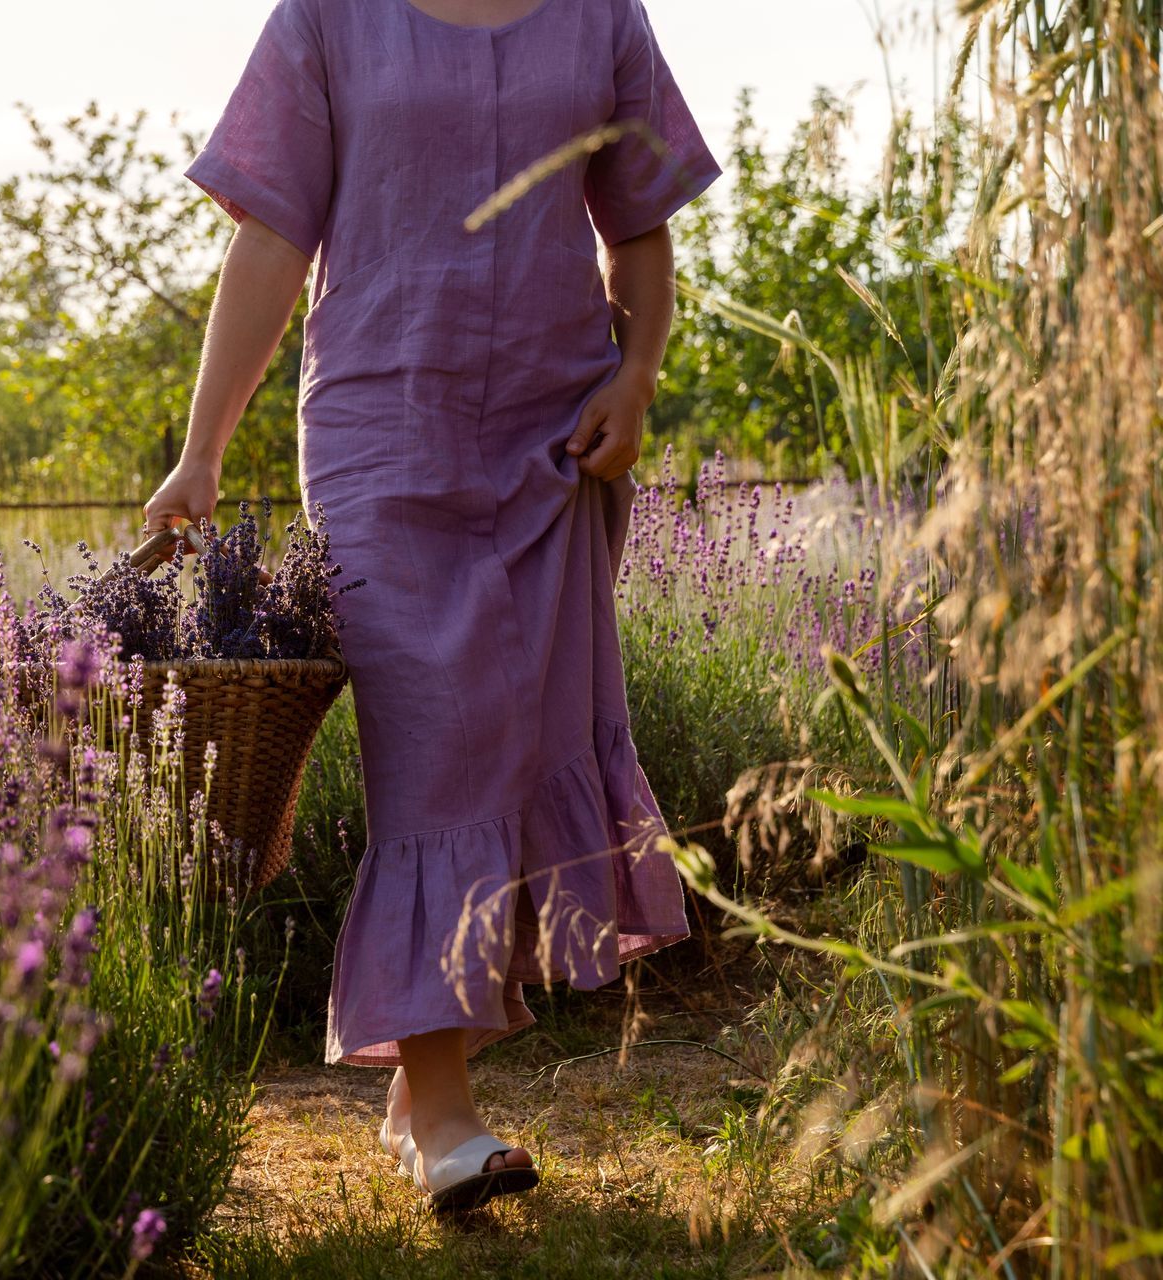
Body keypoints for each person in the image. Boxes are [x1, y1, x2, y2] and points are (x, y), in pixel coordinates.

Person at [142, 0, 721, 1212]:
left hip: (554, 438)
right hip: (378, 428)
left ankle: (426, 1078)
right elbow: (267, 243)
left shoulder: (601, 14)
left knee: (522, 737)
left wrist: (638, 372)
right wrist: (202, 452)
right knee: (438, 748)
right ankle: (448, 1110)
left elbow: (642, 226)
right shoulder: (326, 17)